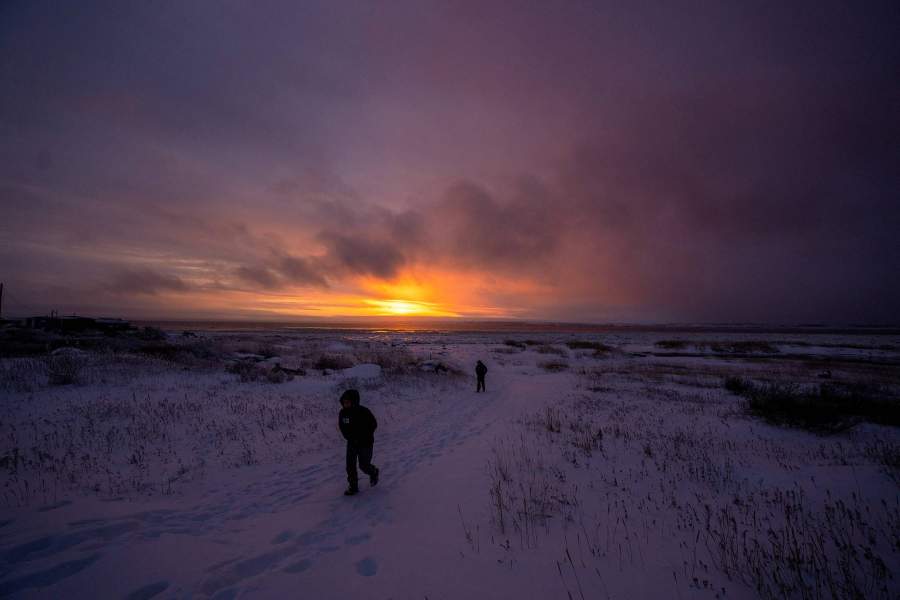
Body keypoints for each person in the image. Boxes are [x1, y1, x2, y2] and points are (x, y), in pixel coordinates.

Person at [338, 389, 379, 496]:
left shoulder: (364, 411)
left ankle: (374, 472)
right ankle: (353, 486)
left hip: (365, 443)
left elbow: (373, 424)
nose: (345, 404)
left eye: (348, 402)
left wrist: (364, 435)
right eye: (344, 402)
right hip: (351, 443)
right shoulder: (343, 413)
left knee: (364, 465)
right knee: (350, 466)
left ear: (354, 402)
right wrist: (348, 437)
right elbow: (342, 427)